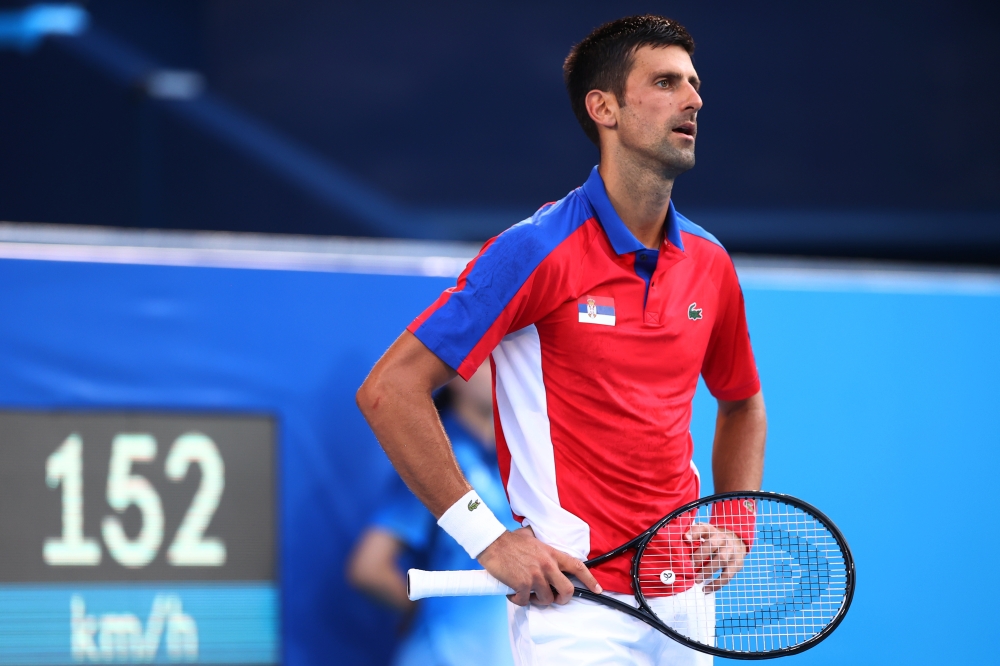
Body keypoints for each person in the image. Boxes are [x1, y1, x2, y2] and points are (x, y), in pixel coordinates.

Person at [356, 14, 766, 666]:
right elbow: (389, 390)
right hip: (577, 609)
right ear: (603, 107)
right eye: (666, 82)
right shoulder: (535, 250)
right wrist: (488, 540)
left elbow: (741, 402)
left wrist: (736, 524)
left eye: (693, 84)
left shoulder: (711, 263)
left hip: (689, 600)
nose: (694, 100)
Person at [347, 364, 517, 666]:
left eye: (501, 359)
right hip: (442, 655)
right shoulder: (435, 459)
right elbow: (370, 567)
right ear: (454, 378)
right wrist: (429, 614)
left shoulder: (526, 458)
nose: (499, 369)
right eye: (485, 362)